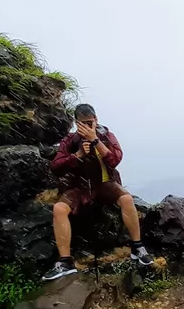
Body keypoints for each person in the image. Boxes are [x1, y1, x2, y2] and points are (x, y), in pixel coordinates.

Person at [42, 104, 154, 281]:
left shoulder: (107, 136)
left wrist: (96, 141)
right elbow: (56, 166)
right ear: (76, 123)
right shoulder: (70, 140)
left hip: (105, 183)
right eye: (83, 123)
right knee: (59, 209)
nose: (87, 127)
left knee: (126, 199)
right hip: (78, 187)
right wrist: (77, 155)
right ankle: (65, 261)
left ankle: (137, 247)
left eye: (90, 122)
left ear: (96, 120)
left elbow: (115, 159)